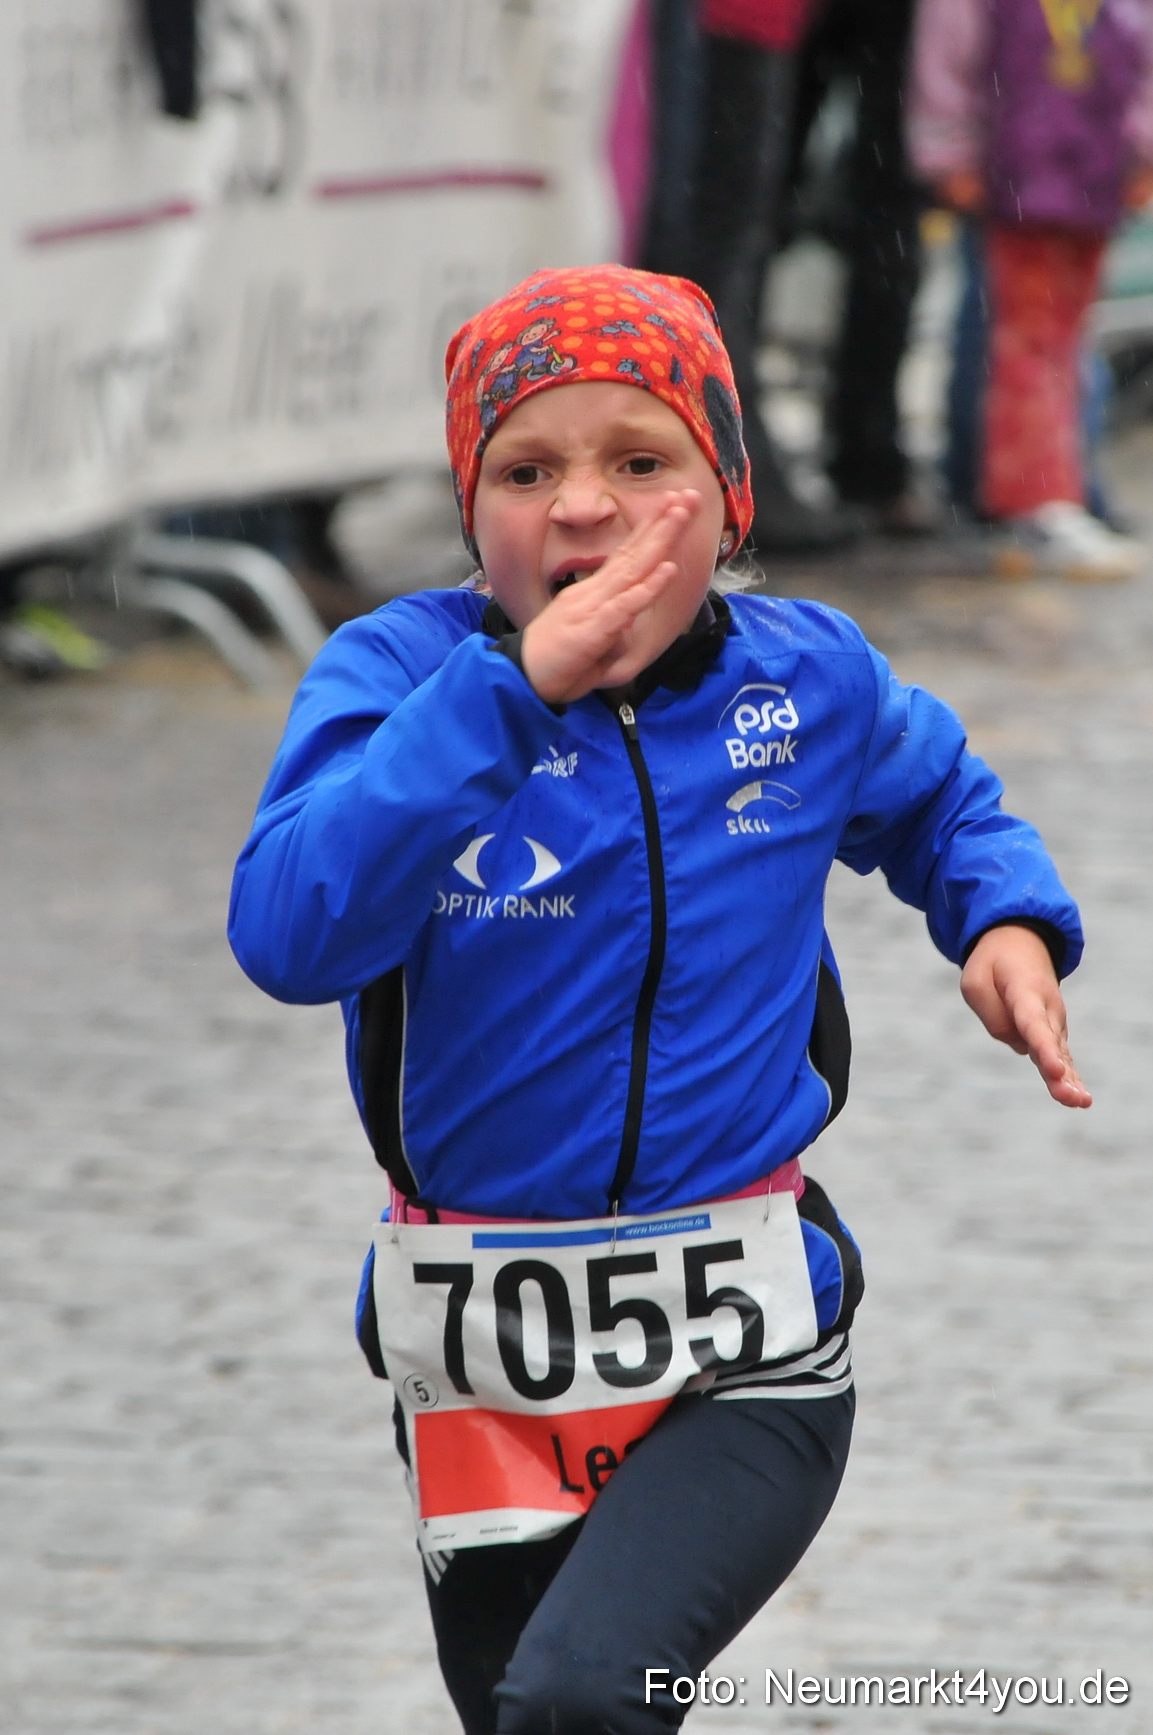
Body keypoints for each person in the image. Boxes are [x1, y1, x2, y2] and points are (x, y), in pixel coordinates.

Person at [229, 264, 1090, 1735]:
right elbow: (293, 929)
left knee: (579, 1702)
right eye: (526, 468)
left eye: (643, 461)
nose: (582, 505)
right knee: (531, 1715)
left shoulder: (802, 676)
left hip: (748, 1350)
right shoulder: (395, 676)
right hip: (485, 1371)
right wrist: (509, 694)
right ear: (467, 508)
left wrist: (1002, 915)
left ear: (729, 495)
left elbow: (941, 795)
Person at [908, 0, 1153, 578]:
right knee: (1028, 343)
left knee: (1062, 340)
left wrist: (1141, 150)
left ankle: (1052, 492)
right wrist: (947, 151)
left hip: (1092, 179)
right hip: (1018, 177)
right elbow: (946, 64)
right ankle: (1035, 500)